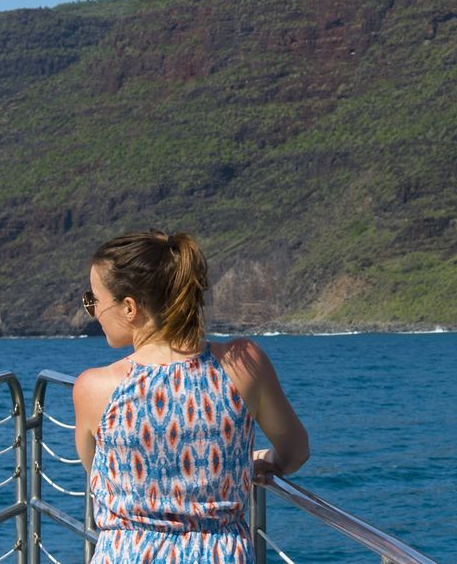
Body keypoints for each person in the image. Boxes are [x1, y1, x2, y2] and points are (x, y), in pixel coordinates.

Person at [73, 231, 308, 564]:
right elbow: (296, 452)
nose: (93, 310)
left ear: (129, 307)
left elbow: (99, 474)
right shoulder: (243, 364)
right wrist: (260, 461)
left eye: (93, 299)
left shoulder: (94, 388)